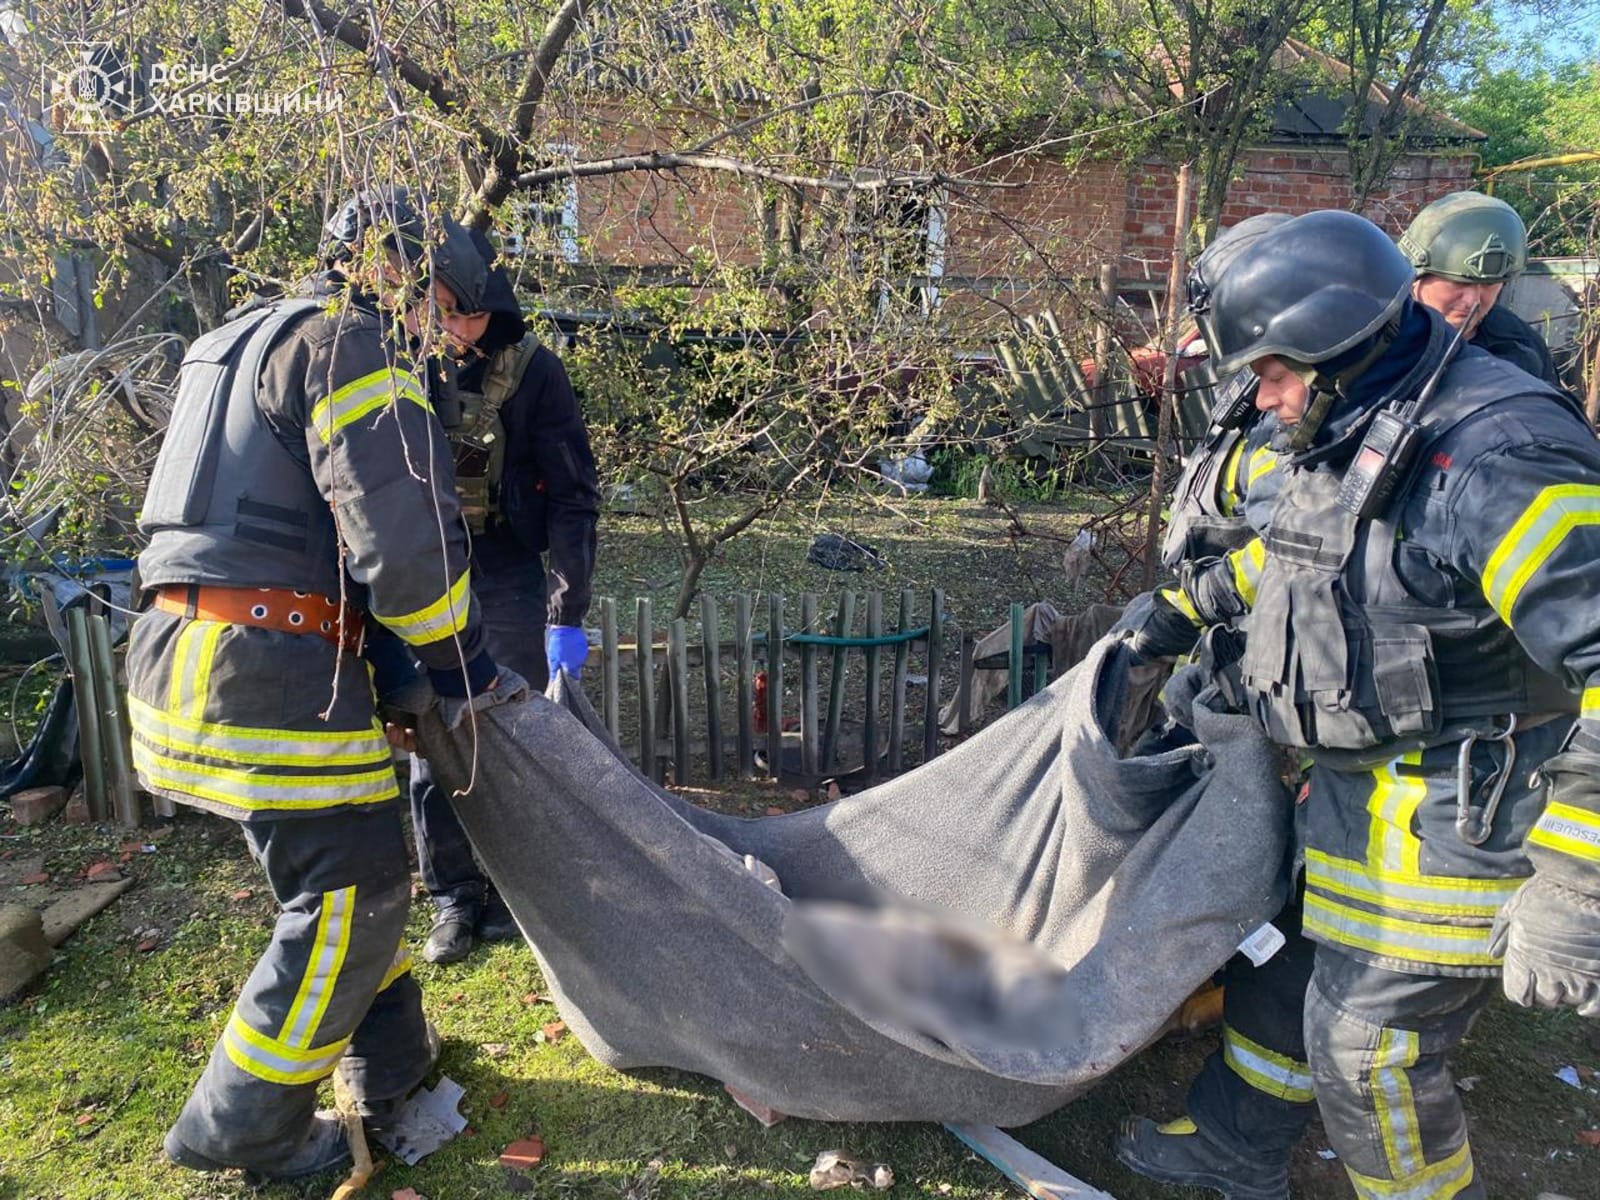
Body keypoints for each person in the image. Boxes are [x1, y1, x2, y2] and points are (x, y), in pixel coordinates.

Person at [1114, 210, 1600, 1200]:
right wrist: (1179, 609)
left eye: (1274, 371)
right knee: (1281, 975)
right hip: (1352, 790)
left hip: (1462, 821)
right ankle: (1234, 1152)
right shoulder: (1363, 412)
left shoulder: (1498, 459)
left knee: (1366, 1053)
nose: (1261, 395)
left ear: (1337, 346)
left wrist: (1577, 886)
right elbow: (1315, 555)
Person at [128, 187, 527, 1184]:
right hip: (269, 672)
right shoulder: (356, 345)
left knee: (349, 878)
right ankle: (243, 1133)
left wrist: (385, 676)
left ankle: (388, 1063)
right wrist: (458, 664)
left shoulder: (237, 338)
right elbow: (402, 549)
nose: (445, 324)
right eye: (436, 296)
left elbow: (282, 521)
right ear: (386, 267)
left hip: (185, 654)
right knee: (351, 895)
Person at [404, 227, 600, 965]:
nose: (454, 330)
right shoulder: (399, 360)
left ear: (497, 308)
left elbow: (575, 497)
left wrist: (566, 610)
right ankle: (453, 897)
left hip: (508, 570)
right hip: (422, 571)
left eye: (469, 315)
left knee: (510, 734)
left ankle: (509, 889)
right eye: (441, 312)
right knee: (435, 738)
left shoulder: (535, 372)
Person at [1399, 190, 1562, 386]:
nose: (1473, 300)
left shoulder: (1523, 346)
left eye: (1489, 284)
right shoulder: (1375, 338)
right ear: (1416, 276)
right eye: (1460, 282)